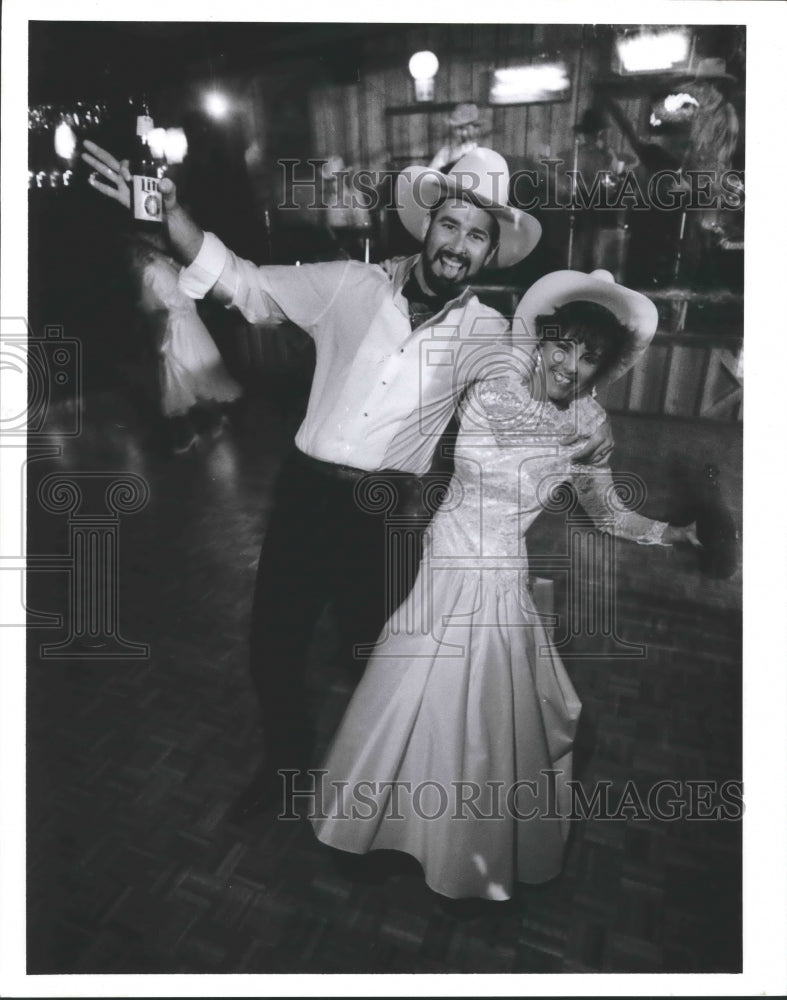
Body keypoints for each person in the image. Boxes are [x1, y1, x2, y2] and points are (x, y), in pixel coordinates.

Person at [81, 140, 614, 821]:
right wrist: (172, 213)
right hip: (306, 494)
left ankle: (389, 792)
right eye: (450, 225)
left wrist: (594, 420)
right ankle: (286, 771)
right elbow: (243, 282)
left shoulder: (488, 334)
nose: (457, 244)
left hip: (383, 513)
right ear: (429, 225)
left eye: (476, 236)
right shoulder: (350, 286)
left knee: (381, 661)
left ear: (488, 253)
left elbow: (546, 386)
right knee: (273, 648)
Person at [310, 269, 699, 901]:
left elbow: (604, 511)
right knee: (411, 692)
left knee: (479, 717)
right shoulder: (491, 386)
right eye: (562, 345)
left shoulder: (591, 428)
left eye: (590, 355)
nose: (570, 364)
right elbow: (421, 413)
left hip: (501, 574)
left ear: (604, 367)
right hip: (445, 558)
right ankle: (375, 824)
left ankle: (462, 853)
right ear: (542, 340)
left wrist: (669, 534)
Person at [128, 233, 243, 454]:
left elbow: (159, 313)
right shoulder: (165, 265)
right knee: (198, 378)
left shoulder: (150, 272)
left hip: (176, 331)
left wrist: (159, 343)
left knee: (177, 382)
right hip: (192, 326)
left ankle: (188, 435)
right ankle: (216, 421)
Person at [429, 103, 484, 173]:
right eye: (459, 128)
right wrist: (451, 161)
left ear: (476, 129)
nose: (463, 133)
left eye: (466, 129)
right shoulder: (445, 153)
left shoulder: (484, 153)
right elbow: (428, 178)